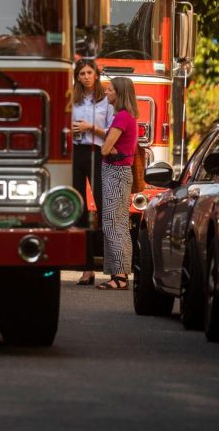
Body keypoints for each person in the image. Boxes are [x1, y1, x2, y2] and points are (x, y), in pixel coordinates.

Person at [70, 58, 111, 286]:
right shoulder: (72, 100)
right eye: (82, 73)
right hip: (77, 154)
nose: (86, 76)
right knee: (79, 210)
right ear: (77, 76)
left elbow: (113, 132)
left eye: (89, 72)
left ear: (96, 75)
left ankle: (114, 267)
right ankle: (87, 269)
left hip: (97, 153)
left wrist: (90, 128)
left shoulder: (106, 100)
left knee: (104, 208)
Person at [97, 76, 139, 290]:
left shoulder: (121, 117)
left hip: (115, 171)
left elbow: (105, 149)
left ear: (119, 93)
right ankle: (120, 274)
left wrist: (109, 147)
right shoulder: (128, 116)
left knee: (112, 224)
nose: (106, 92)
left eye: (110, 89)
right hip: (122, 172)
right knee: (121, 224)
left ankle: (119, 276)